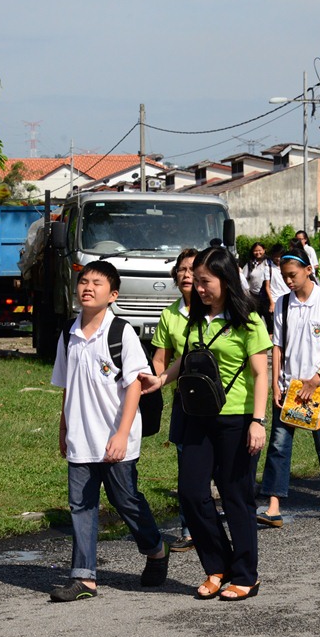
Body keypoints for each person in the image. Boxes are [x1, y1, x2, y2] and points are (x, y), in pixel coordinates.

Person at [141, 246, 270, 601]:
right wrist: (160, 380)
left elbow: (261, 374)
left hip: (237, 418)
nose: (197, 288)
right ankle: (217, 566)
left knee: (236, 496)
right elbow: (183, 360)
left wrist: (257, 421)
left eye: (205, 281)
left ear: (225, 280)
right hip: (197, 417)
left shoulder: (249, 321)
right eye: (195, 281)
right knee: (191, 493)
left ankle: (245, 575)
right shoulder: (195, 320)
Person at [48, 260, 169, 602]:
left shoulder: (121, 332)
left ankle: (156, 549)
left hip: (117, 437)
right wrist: (63, 427)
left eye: (97, 283)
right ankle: (84, 578)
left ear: (113, 294)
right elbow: (67, 385)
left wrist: (121, 433)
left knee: (125, 500)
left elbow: (134, 386)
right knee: (81, 506)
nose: (87, 288)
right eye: (83, 281)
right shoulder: (68, 333)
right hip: (81, 437)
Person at [259, 247, 320, 526]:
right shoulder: (283, 304)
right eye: (284, 276)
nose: (288, 280)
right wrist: (276, 383)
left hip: (319, 388)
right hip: (290, 387)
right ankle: (273, 504)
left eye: (293, 275)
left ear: (308, 270)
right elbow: (277, 346)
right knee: (278, 445)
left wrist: (317, 378)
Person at [152, 248, 200, 552]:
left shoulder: (214, 310)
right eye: (181, 269)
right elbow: (161, 358)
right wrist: (158, 383)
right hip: (184, 399)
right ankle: (188, 529)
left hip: (219, 400)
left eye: (192, 269)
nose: (186, 274)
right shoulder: (170, 314)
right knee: (186, 464)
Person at [266, 244, 290, 332]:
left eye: (280, 256)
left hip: (288, 298)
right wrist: (271, 302)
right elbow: (267, 286)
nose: (278, 259)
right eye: (276, 256)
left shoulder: (287, 267)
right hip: (276, 300)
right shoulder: (269, 268)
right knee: (277, 325)